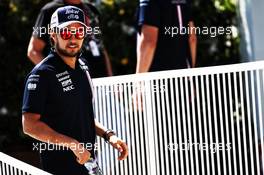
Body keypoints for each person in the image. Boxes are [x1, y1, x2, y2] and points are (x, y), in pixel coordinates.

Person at [22, 6, 128, 175]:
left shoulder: (83, 66)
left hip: (89, 164)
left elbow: (82, 114)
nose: (73, 39)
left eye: (79, 32)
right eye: (66, 33)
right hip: (61, 167)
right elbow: (29, 125)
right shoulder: (42, 73)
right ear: (53, 34)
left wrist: (109, 135)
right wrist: (72, 144)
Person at [27, 0, 113, 78]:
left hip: (102, 82)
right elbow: (33, 51)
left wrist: (111, 78)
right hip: (70, 86)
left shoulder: (91, 9)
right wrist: (59, 77)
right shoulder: (49, 10)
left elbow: (101, 47)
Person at [136, 0, 197, 73]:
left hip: (158, 77)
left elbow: (149, 42)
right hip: (183, 74)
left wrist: (139, 79)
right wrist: (191, 73)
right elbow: (192, 38)